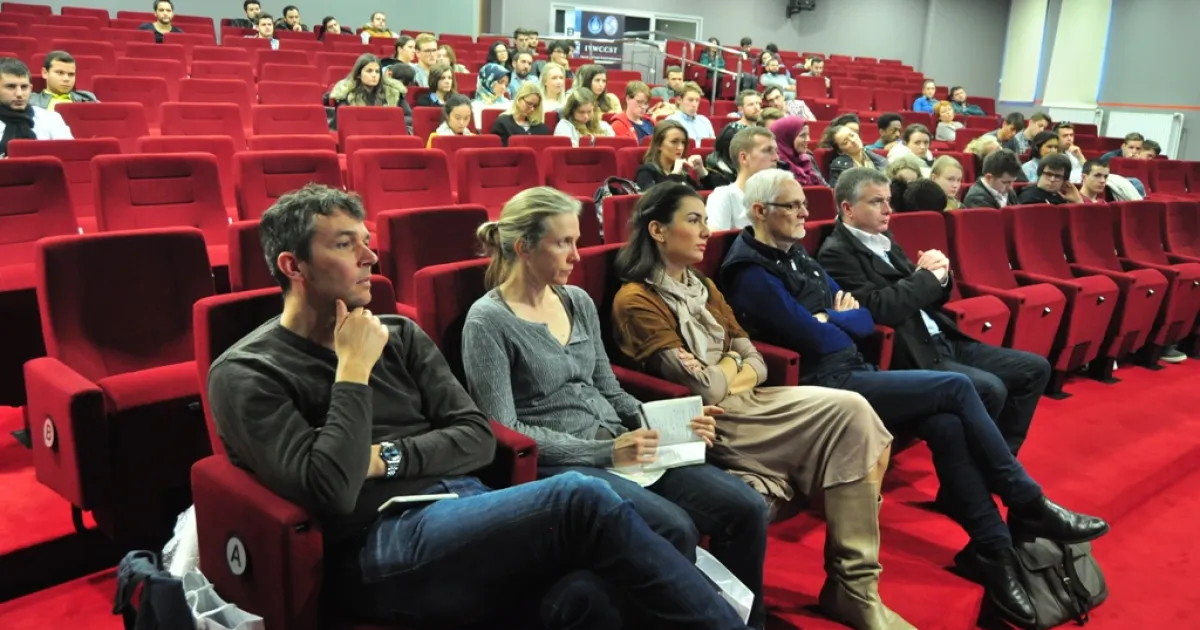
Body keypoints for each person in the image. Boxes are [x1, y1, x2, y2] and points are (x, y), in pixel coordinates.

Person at [208, 183, 751, 630]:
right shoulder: (247, 372)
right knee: (579, 497)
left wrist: (382, 459)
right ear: (292, 265)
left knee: (587, 595)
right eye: (346, 245)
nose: (370, 257)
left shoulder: (399, 334)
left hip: (467, 503)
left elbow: (475, 435)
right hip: (380, 540)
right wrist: (352, 370)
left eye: (367, 241)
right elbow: (330, 487)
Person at [718, 168, 1110, 629]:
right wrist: (833, 319)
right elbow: (816, 336)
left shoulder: (795, 255)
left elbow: (859, 319)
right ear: (761, 212)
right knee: (958, 387)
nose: (806, 213)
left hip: (856, 369)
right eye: (794, 206)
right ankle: (1027, 502)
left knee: (946, 422)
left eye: (805, 204)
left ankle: (994, 551)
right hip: (821, 387)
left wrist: (833, 318)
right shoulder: (749, 269)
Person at [611, 182, 914, 630]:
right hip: (714, 418)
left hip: (753, 400)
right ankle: (851, 589)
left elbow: (755, 360)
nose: (706, 232)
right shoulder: (636, 299)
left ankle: (855, 587)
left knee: (856, 413)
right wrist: (735, 361)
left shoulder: (704, 286)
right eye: (693, 221)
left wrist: (731, 363)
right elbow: (705, 388)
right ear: (657, 230)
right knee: (854, 421)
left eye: (705, 220)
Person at [459, 186, 765, 629]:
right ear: (524, 247)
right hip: (566, 466)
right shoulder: (487, 321)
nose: (576, 256)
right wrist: (605, 453)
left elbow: (610, 390)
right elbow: (507, 429)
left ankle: (745, 623)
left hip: (624, 447)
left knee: (746, 508)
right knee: (674, 527)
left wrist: (671, 422)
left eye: (576, 241)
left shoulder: (577, 301)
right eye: (563, 242)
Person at [818, 167, 1053, 456]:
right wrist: (928, 277)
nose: (888, 209)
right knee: (990, 388)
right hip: (915, 349)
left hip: (945, 337)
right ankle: (988, 470)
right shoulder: (836, 252)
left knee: (1034, 368)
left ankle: (1000, 461)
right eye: (877, 201)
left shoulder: (884, 239)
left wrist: (942, 275)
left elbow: (927, 294)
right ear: (848, 208)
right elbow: (880, 308)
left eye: (888, 200)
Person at [707, 126, 780, 230]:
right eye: (767, 150)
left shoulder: (779, 195)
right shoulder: (724, 196)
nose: (776, 157)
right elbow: (716, 242)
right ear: (744, 158)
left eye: (776, 151)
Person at [0, 57, 73, 157]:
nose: (19, 94)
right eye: (11, 87)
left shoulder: (51, 118)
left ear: (31, 88)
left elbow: (68, 157)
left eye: (24, 87)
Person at [635, 120, 724, 191]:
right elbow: (653, 199)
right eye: (674, 142)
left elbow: (711, 195)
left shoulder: (683, 172)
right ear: (659, 145)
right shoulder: (646, 171)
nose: (680, 147)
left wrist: (702, 172)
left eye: (683, 142)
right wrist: (675, 174)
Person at [329, 54, 407, 109]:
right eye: (369, 71)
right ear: (359, 74)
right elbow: (344, 118)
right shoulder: (345, 92)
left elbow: (408, 117)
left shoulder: (393, 91)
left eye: (377, 71)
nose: (374, 75)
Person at [28, 51, 98, 111]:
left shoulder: (88, 98)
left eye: (71, 74)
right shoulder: (29, 100)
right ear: (45, 73)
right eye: (60, 73)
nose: (66, 79)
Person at [772, 116, 827, 186]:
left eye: (808, 135)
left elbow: (826, 188)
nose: (808, 139)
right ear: (788, 137)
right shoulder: (777, 165)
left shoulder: (807, 159)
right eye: (802, 135)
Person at [490, 82, 550, 146]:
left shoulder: (541, 128)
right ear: (519, 99)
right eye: (529, 104)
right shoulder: (503, 123)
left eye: (535, 106)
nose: (532, 109)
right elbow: (499, 151)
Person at [1017, 153, 1082, 205]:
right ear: (1040, 173)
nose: (1052, 179)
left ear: (1064, 180)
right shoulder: (1028, 197)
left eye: (1058, 176)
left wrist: (1078, 200)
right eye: (1048, 174)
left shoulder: (1062, 197)